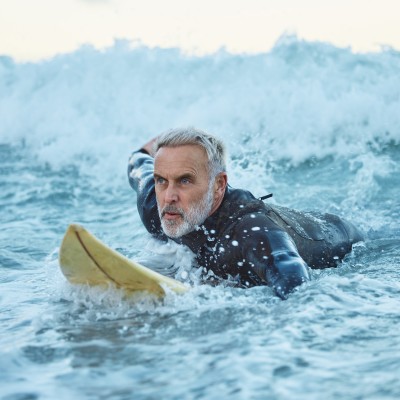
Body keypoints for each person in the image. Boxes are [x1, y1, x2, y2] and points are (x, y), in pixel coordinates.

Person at [128, 127, 363, 299]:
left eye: (185, 180)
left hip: (335, 235)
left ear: (219, 185)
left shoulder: (251, 232)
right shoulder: (157, 206)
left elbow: (294, 279)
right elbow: (138, 164)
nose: (169, 195)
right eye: (161, 180)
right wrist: (145, 148)